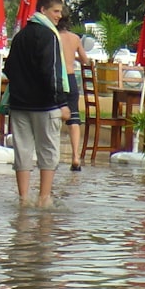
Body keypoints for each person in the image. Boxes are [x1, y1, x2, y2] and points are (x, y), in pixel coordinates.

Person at [5, 0, 70, 206]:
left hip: (20, 103)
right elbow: (51, 71)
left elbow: (9, 67)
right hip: (45, 105)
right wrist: (62, 102)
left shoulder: (20, 35)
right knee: (48, 151)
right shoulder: (49, 35)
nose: (59, 16)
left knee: (22, 151)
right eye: (55, 11)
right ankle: (44, 198)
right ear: (43, 10)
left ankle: (23, 198)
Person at [58, 13, 90, 171]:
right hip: (70, 79)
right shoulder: (75, 38)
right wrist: (74, 58)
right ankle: (75, 156)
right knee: (74, 119)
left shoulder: (53, 36)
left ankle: (51, 155)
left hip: (57, 78)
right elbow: (86, 60)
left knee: (52, 116)